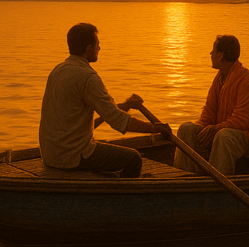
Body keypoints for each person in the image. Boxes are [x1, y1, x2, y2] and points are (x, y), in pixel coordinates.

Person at [39, 23, 168, 178]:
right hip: (72, 156)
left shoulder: (57, 71)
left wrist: (125, 105)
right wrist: (155, 128)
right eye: (97, 45)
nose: (99, 48)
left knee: (105, 154)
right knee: (133, 158)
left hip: (50, 154)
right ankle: (125, 191)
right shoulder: (88, 77)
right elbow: (118, 121)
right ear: (89, 49)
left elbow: (101, 116)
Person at [174, 35, 249, 175]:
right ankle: (185, 177)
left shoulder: (246, 80)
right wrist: (201, 131)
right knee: (186, 129)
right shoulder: (219, 78)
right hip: (221, 131)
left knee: (224, 136)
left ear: (221, 55)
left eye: (213, 50)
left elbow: (240, 120)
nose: (210, 53)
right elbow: (208, 114)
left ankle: (218, 181)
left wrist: (216, 128)